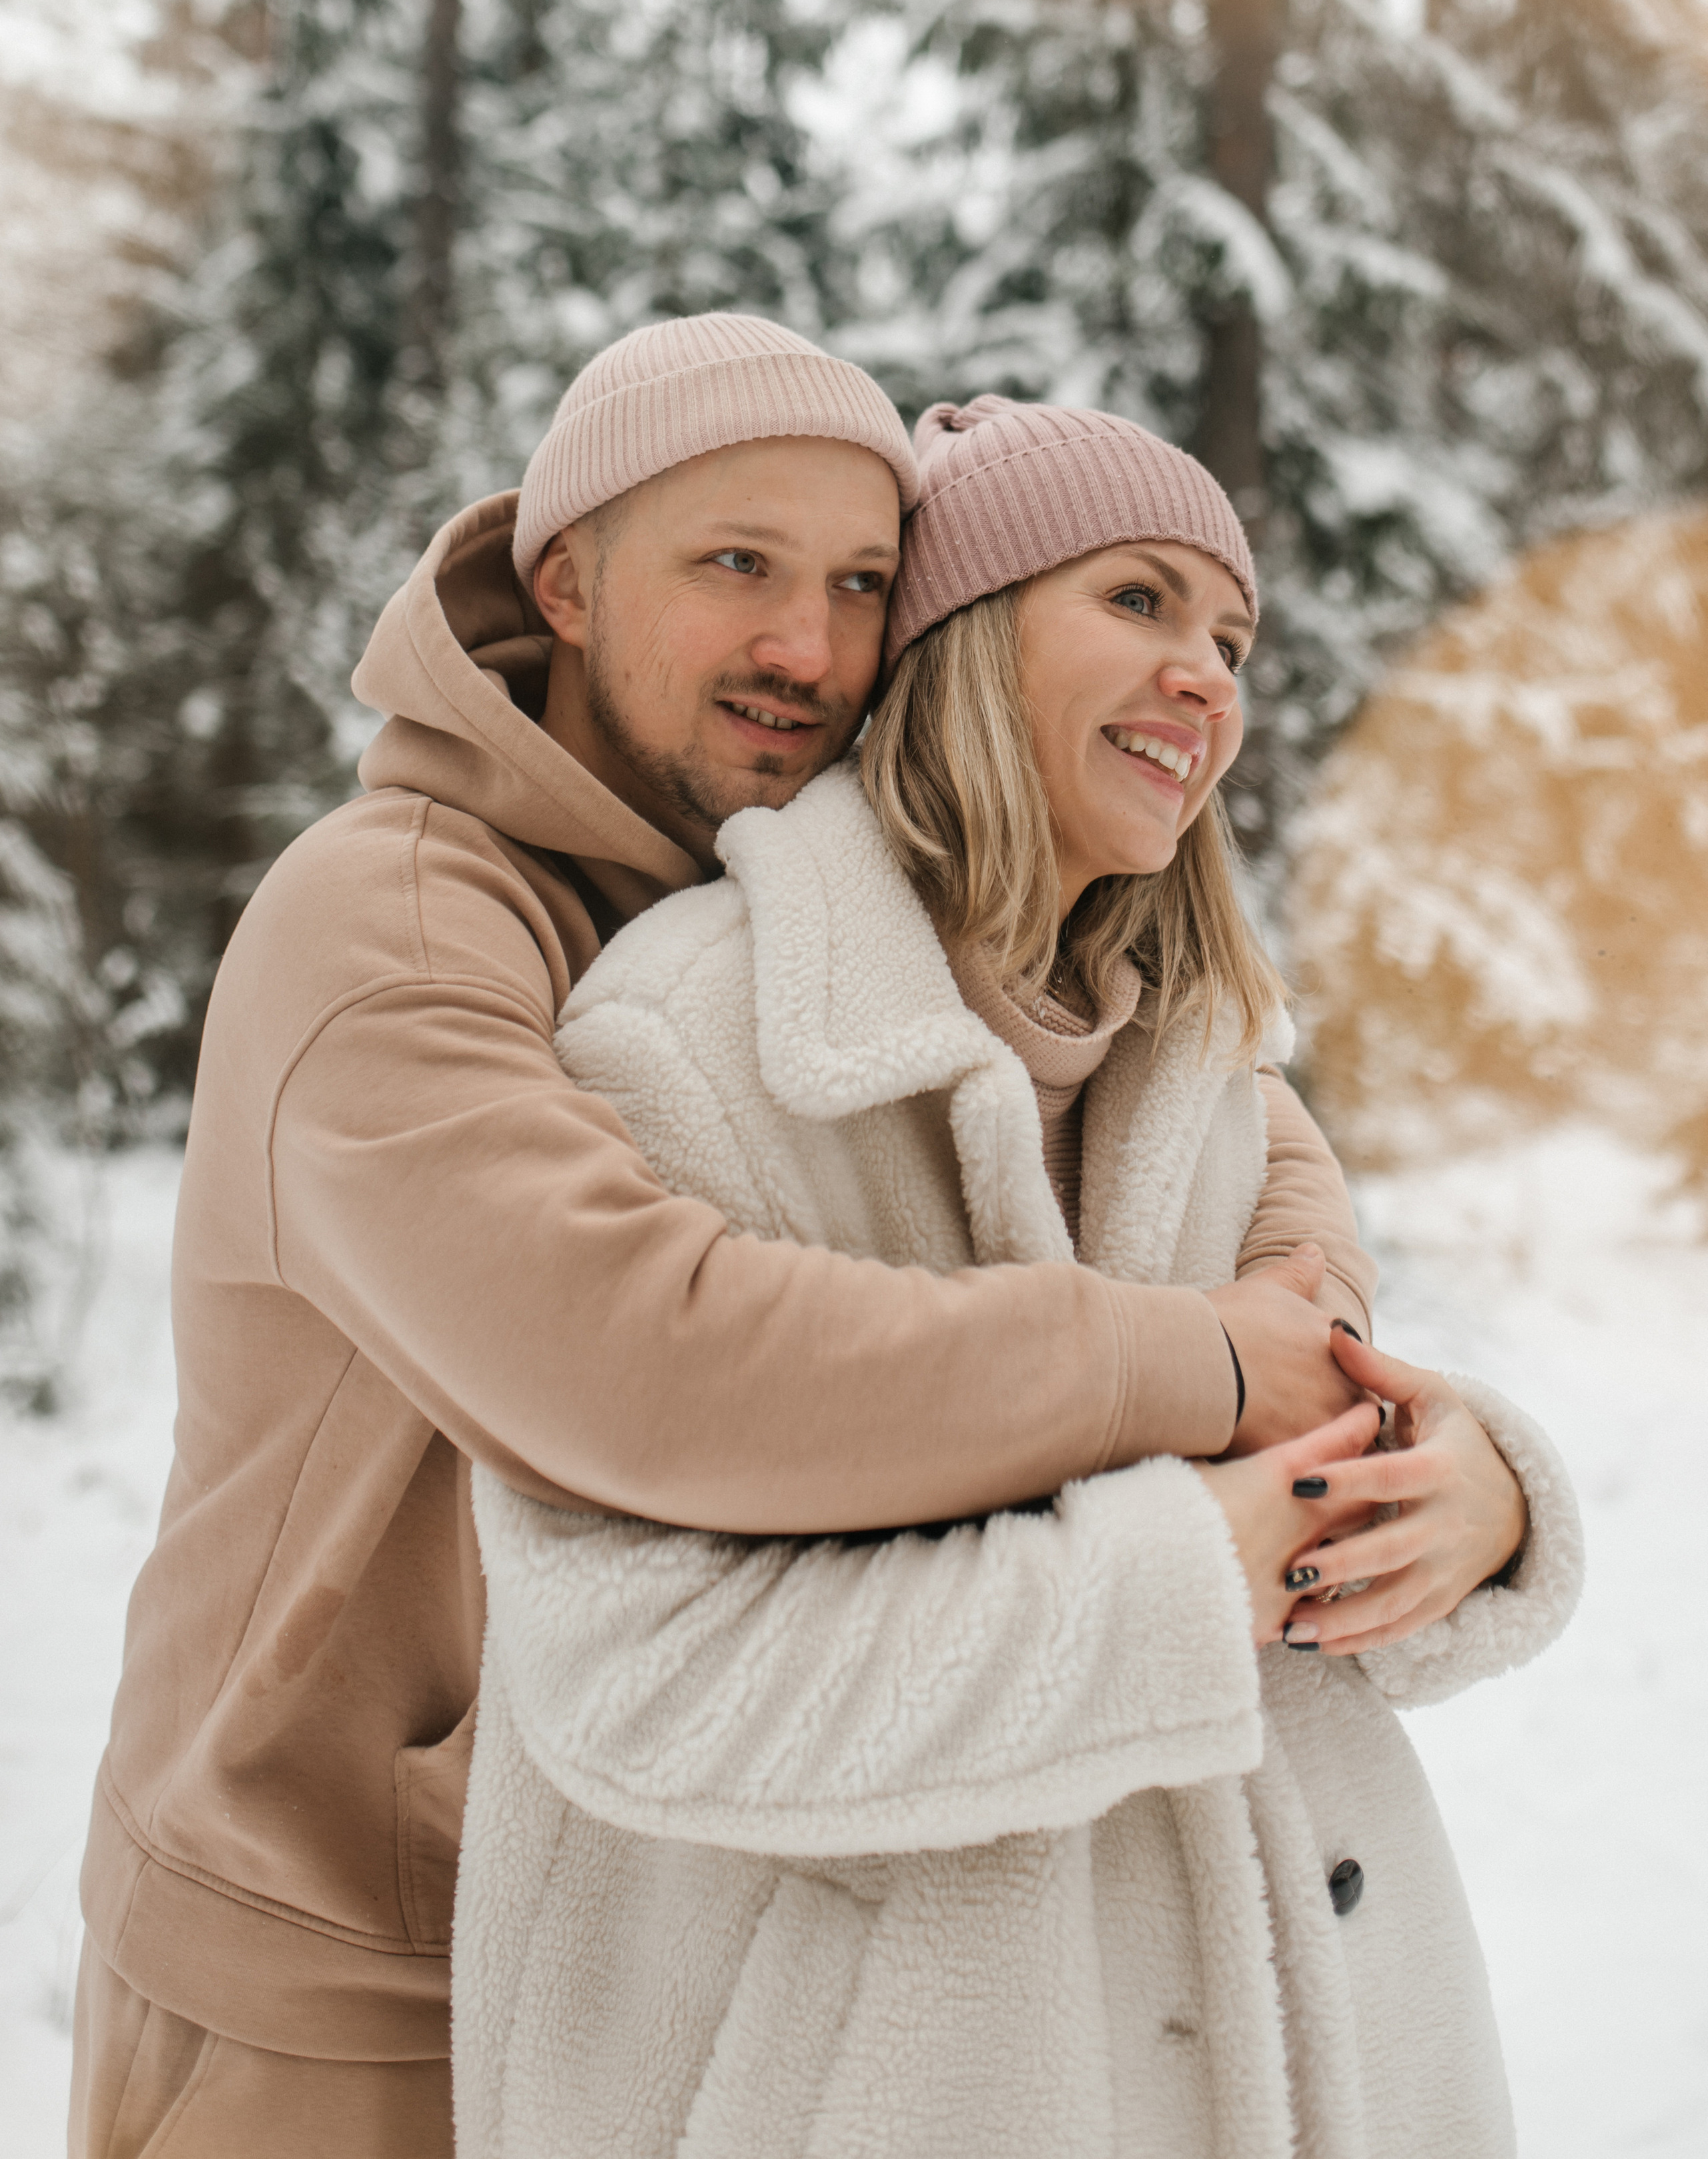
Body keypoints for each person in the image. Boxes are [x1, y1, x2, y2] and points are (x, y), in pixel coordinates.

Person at [70, 321, 1378, 2159]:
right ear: (570, 582)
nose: (807, 646)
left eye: (860, 584)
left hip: (652, 1944)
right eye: (737, 566)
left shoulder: (757, 872)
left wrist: (1307, 1290)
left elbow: (1209, 1074)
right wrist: (1206, 1361)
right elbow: (651, 1360)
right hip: (340, 1965)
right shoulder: (396, 920)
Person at [456, 394, 1583, 2159]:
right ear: (970, 636)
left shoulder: (1199, 1051)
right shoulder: (690, 1041)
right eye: (1138, 599)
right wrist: (1193, 1570)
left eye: (1231, 634)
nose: (1208, 673)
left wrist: (1475, 1494)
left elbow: (1305, 1419)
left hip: (1305, 2060)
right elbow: (629, 1677)